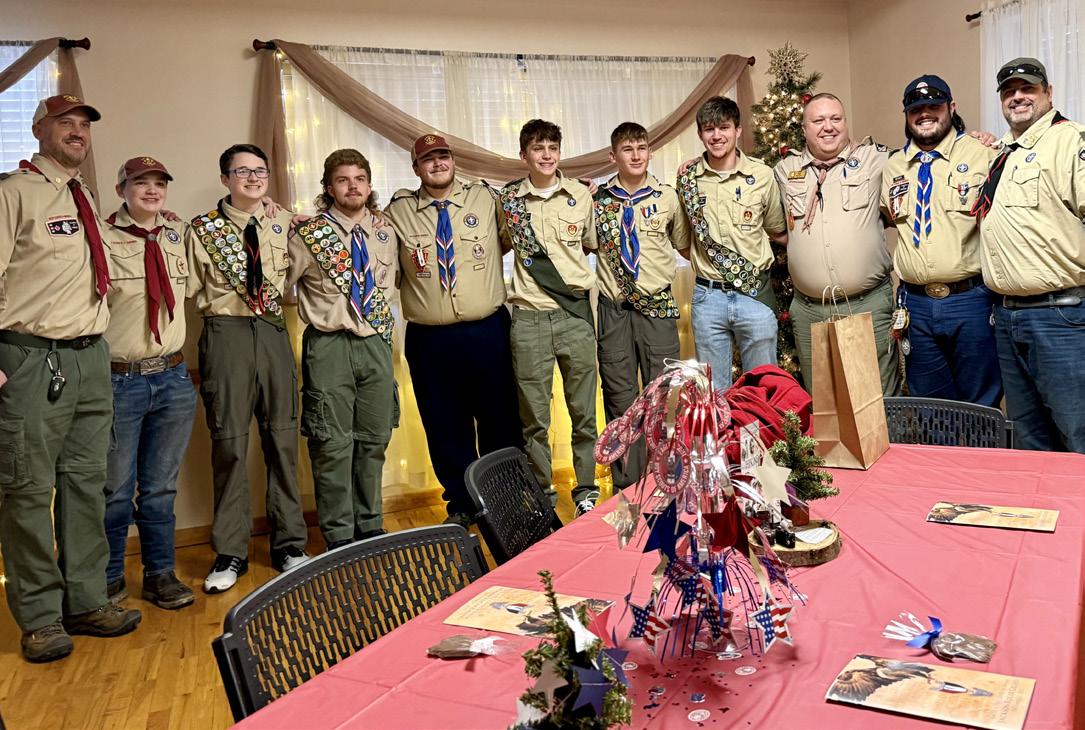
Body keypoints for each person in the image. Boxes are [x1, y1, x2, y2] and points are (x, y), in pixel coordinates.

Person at [0, 95, 141, 663]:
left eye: (84, 125)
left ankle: (84, 600)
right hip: (31, 357)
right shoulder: (14, 193)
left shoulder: (85, 195)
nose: (77, 132)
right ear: (39, 130)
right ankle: (39, 617)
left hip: (89, 358)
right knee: (28, 489)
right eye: (66, 123)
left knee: (87, 483)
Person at [186, 143, 310, 593]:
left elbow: (300, 272)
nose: (254, 178)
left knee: (282, 439)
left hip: (272, 330)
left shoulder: (284, 222)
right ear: (225, 179)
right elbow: (189, 287)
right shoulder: (202, 230)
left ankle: (289, 545)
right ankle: (230, 551)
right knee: (230, 443)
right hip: (227, 333)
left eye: (260, 171)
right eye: (242, 171)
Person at [384, 135, 522, 528]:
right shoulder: (398, 212)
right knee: (444, 424)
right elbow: (363, 231)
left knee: (499, 418)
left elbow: (522, 227)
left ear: (454, 161)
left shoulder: (485, 199)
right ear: (416, 168)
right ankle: (461, 503)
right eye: (428, 159)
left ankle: (505, 498)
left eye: (443, 156)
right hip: (430, 339)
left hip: (487, 331)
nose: (437, 164)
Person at [287, 149, 398, 548]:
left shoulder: (386, 231)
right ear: (329, 188)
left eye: (359, 179)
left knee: (374, 439)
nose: (353, 186)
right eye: (343, 180)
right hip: (329, 344)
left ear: (369, 185)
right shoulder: (309, 234)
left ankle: (369, 525)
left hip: (375, 342)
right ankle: (338, 535)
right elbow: (278, 284)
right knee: (332, 444)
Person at [974, 58, 1085, 452]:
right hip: (1007, 316)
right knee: (1028, 439)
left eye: (1028, 88)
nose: (1017, 97)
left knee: (1076, 432)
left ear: (1048, 93)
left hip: (1059, 317)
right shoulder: (1003, 153)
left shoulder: (1070, 141)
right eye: (1009, 91)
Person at [102, 157, 196, 610]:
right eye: (141, 183)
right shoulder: (100, 237)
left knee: (160, 488)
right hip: (121, 381)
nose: (152, 190)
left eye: (160, 183)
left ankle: (160, 574)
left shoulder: (179, 234)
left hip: (173, 379)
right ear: (121, 189)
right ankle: (107, 578)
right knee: (115, 491)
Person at [496, 119, 599, 516]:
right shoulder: (509, 201)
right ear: (524, 155)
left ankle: (586, 490)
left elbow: (589, 245)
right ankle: (542, 496)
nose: (546, 155)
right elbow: (498, 245)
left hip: (573, 315)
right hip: (529, 320)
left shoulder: (580, 195)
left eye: (552, 147)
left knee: (584, 414)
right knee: (534, 420)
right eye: (538, 148)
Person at [880, 76, 1001, 407]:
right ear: (907, 116)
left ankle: (980, 445)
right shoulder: (893, 166)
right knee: (928, 405)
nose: (925, 114)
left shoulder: (982, 154)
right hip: (915, 304)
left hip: (970, 300)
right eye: (916, 109)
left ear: (952, 108)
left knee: (980, 402)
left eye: (934, 106)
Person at [774, 93, 901, 396]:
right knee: (824, 403)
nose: (828, 126)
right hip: (809, 310)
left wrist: (977, 139)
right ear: (804, 128)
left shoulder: (877, 159)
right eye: (818, 120)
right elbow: (772, 222)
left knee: (879, 401)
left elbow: (924, 153)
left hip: (867, 304)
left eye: (836, 118)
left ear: (845, 122)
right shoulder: (784, 170)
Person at [594, 122, 690, 487]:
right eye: (627, 149)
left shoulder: (667, 198)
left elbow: (683, 244)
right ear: (613, 156)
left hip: (657, 308)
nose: (636, 156)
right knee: (621, 397)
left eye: (641, 148)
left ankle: (664, 480)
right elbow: (584, 243)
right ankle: (628, 486)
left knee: (664, 396)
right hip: (616, 310)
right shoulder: (598, 201)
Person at [677, 96, 787, 393]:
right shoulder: (688, 179)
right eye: (709, 129)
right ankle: (722, 430)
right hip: (708, 298)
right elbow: (684, 244)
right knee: (714, 393)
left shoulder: (762, 175)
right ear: (700, 134)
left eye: (724, 127)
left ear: (738, 130)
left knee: (763, 388)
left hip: (754, 293)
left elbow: (777, 230)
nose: (716, 136)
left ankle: (760, 429)